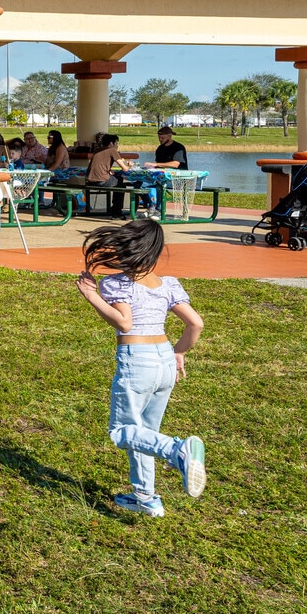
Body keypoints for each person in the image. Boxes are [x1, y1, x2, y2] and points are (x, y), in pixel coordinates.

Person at [75, 219, 207, 517]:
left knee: (122, 431)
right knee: (144, 432)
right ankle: (145, 496)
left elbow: (124, 322)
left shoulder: (117, 283)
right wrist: (179, 352)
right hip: (164, 360)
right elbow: (195, 324)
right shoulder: (168, 284)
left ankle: (178, 450)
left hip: (137, 360)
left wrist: (91, 295)